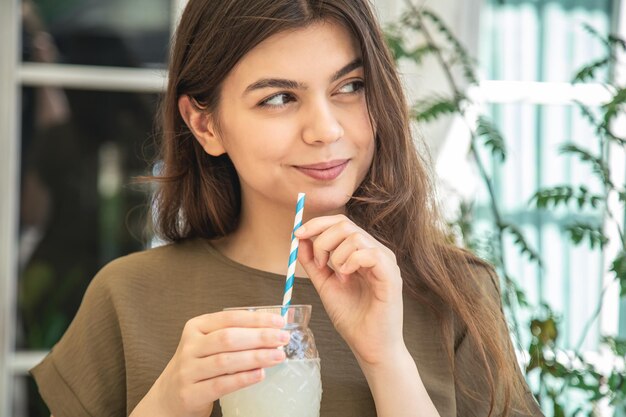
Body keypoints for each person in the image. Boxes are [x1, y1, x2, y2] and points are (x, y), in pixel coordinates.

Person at [31, 0, 545, 416]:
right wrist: (167, 405)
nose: (325, 129)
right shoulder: (127, 297)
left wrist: (386, 360)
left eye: (350, 87)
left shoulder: (456, 294)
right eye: (278, 98)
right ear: (205, 124)